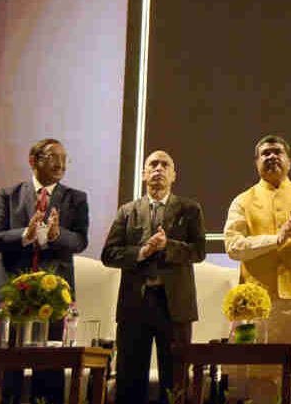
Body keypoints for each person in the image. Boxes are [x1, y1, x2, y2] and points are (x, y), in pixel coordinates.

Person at [223, 135, 291, 397]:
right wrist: (275, 240)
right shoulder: (243, 201)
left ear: (289, 161)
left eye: (277, 152)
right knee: (260, 378)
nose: (272, 157)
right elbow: (233, 246)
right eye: (265, 153)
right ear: (256, 162)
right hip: (258, 305)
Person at [0, 138, 89, 404]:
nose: (60, 163)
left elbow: (80, 241)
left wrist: (57, 235)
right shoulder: (9, 195)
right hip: (12, 296)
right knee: (8, 375)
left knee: (50, 377)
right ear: (33, 161)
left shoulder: (75, 199)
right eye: (52, 156)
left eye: (64, 158)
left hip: (54, 297)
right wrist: (25, 234)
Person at [102, 150, 206, 404]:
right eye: (153, 164)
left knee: (175, 378)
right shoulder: (127, 211)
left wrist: (166, 246)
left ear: (174, 175)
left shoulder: (190, 209)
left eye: (165, 165)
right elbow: (108, 254)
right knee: (129, 378)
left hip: (175, 305)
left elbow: (198, 251)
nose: (158, 169)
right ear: (143, 174)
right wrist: (142, 252)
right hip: (135, 303)